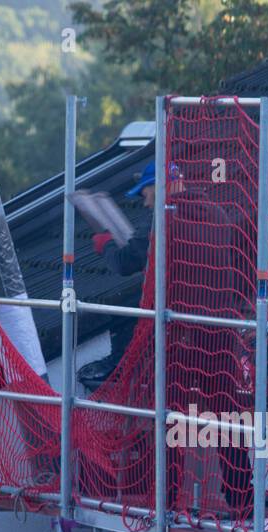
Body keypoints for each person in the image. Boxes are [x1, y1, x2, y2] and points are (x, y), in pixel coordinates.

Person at [78, 162, 159, 389]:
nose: (146, 203)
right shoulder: (207, 210)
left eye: (146, 194)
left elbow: (124, 263)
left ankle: (122, 365)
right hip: (207, 305)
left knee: (124, 310)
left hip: (176, 307)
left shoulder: (161, 219)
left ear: (156, 187)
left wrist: (106, 244)